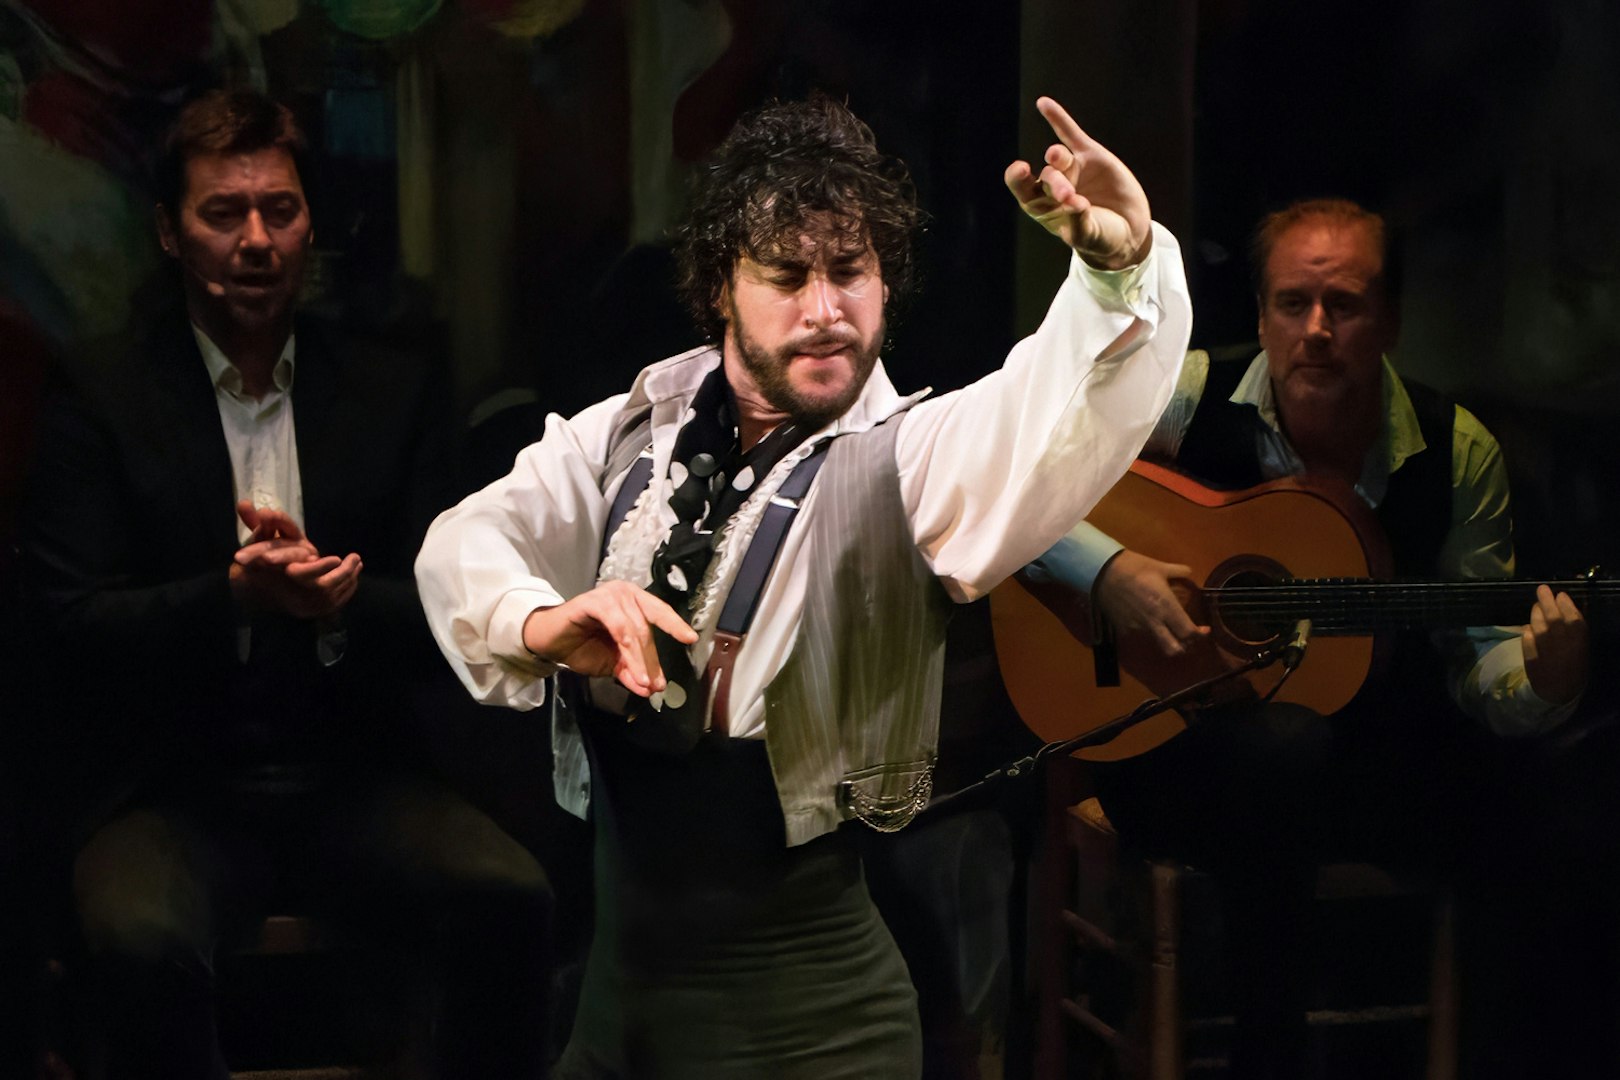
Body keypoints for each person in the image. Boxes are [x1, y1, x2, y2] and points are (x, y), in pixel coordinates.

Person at [414, 93, 1191, 1078]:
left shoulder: (909, 458)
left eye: (850, 271)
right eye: (786, 274)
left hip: (815, 1039)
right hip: (617, 1033)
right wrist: (542, 620)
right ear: (719, 291)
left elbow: (1053, 409)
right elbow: (468, 541)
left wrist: (1117, 274)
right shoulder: (628, 436)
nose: (825, 310)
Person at [21, 89, 552, 1080]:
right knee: (136, 938)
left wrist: (340, 602)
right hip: (170, 788)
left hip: (356, 777)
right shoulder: (102, 394)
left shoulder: (391, 389)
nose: (256, 240)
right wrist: (233, 597)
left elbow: (456, 615)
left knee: (509, 895)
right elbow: (69, 624)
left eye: (280, 211)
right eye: (223, 214)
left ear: (311, 225)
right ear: (171, 234)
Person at [1029, 197, 1590, 1079]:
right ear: (1261, 316)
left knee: (1546, 799)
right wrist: (1111, 572)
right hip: (1174, 753)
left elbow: (1477, 658)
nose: (1317, 331)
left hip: (1367, 775)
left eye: (1347, 306)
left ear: (1391, 322)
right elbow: (1025, 483)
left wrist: (1542, 681)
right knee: (1283, 751)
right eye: (1294, 305)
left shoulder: (1454, 450)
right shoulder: (1186, 398)